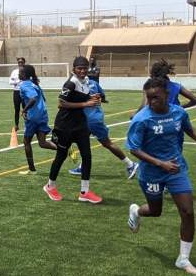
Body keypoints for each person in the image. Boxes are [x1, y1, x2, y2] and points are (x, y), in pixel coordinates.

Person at [126, 77, 196, 275]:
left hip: (176, 169)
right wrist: (160, 164)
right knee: (155, 210)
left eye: (156, 97)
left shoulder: (178, 112)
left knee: (187, 211)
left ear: (167, 95)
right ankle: (136, 211)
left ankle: (183, 259)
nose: (152, 102)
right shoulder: (141, 119)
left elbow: (189, 128)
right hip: (151, 173)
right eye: (149, 98)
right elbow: (133, 148)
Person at [43, 56, 103, 204]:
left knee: (87, 156)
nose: (82, 71)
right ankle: (50, 186)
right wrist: (86, 104)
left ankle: (85, 192)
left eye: (85, 68)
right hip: (65, 126)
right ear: (74, 69)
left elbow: (81, 98)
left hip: (80, 125)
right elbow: (61, 103)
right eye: (79, 68)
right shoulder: (70, 83)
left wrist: (93, 98)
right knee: (61, 156)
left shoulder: (86, 82)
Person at [67, 77, 139, 179]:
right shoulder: (94, 83)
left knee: (107, 143)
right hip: (93, 117)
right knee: (82, 141)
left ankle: (130, 164)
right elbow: (103, 96)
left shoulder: (78, 87)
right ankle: (83, 166)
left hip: (90, 119)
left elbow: (70, 102)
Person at [16, 65, 58, 175]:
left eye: (20, 72)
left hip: (33, 117)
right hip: (43, 115)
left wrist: (24, 110)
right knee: (42, 143)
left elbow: (33, 99)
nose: (18, 74)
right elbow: (42, 99)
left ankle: (32, 170)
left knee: (26, 142)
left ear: (24, 74)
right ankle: (63, 149)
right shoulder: (35, 84)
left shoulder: (25, 85)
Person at [9, 57, 26, 132]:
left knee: (25, 109)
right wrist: (17, 82)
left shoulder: (27, 71)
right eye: (19, 62)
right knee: (17, 109)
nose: (20, 63)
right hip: (16, 92)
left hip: (25, 92)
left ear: (24, 63)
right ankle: (16, 125)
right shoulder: (14, 72)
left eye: (21, 62)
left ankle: (26, 125)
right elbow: (10, 82)